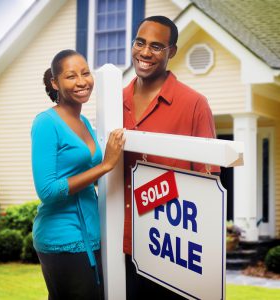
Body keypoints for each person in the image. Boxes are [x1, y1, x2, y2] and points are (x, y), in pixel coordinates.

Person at [123, 16, 220, 299]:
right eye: (140, 43)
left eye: (156, 46)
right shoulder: (115, 101)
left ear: (172, 52)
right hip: (120, 243)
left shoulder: (194, 104)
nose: (144, 52)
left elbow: (208, 183)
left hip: (171, 247)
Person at [31, 49, 125, 300]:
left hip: (92, 232)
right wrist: (105, 166)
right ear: (55, 83)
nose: (82, 81)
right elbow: (47, 190)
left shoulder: (84, 122)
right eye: (71, 76)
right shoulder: (46, 123)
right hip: (60, 235)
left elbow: (86, 173)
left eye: (85, 73)